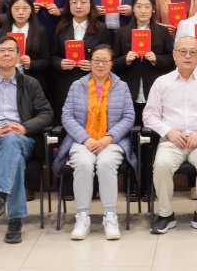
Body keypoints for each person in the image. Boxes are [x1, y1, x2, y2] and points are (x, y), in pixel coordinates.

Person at [0, 36, 55, 244]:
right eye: (2, 50)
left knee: (12, 140)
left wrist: (25, 127)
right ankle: (15, 219)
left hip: (24, 140)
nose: (7, 54)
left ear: (18, 56)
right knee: (15, 159)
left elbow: (46, 113)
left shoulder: (31, 84)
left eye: (11, 50)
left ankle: (1, 197)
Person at [143, 36, 197, 235]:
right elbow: (149, 116)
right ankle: (165, 215)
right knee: (161, 165)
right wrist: (169, 132)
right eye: (183, 52)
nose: (188, 56)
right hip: (171, 142)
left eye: (193, 52)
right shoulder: (161, 83)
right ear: (174, 55)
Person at [54, 44, 137, 241]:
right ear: (90, 63)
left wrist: (109, 138)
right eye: (96, 60)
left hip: (112, 142)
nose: (100, 65)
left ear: (111, 64)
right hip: (82, 141)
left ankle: (110, 216)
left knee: (106, 163)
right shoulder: (77, 85)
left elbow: (128, 117)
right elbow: (67, 116)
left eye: (105, 61)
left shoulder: (122, 86)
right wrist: (86, 138)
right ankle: (82, 216)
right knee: (83, 163)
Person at [113, 0, 176, 123]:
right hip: (129, 88)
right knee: (131, 124)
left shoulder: (163, 32)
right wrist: (125, 60)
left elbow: (171, 61)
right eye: (139, 6)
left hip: (155, 88)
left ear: (153, 9)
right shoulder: (121, 33)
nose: (143, 11)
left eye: (147, 7)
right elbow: (112, 63)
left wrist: (156, 59)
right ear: (133, 9)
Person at [50, 0, 109, 122]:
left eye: (83, 2)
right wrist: (60, 63)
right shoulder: (61, 27)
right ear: (68, 5)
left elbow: (110, 56)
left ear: (90, 4)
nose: (78, 6)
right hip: (66, 82)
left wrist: (94, 65)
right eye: (74, 2)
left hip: (93, 82)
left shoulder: (100, 28)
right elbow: (52, 56)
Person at [0, 0, 53, 101]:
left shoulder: (40, 32)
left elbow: (46, 61)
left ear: (31, 10)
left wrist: (31, 63)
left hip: (32, 83)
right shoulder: (2, 32)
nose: (20, 12)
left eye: (25, 8)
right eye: (16, 9)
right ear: (10, 10)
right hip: (5, 82)